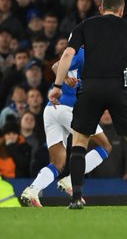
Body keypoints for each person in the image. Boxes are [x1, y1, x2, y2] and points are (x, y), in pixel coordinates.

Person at [48, 0, 127, 210]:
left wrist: (58, 86)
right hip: (120, 88)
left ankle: (76, 198)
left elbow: (67, 56)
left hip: (90, 88)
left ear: (101, 8)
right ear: (121, 10)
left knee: (79, 142)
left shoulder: (84, 25)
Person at [20, 48, 112, 207]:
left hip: (52, 110)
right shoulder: (84, 52)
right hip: (69, 109)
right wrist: (67, 77)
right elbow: (56, 66)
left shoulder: (89, 54)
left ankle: (33, 190)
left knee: (57, 163)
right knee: (105, 146)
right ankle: (70, 180)